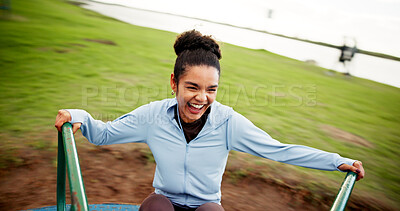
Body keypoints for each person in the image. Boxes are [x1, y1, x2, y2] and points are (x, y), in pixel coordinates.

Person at [55, 30, 365, 211]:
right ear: (174, 83)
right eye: (192, 87)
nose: (201, 97)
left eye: (211, 89)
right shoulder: (153, 116)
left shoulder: (228, 122)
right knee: (155, 206)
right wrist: (78, 116)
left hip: (206, 207)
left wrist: (337, 161)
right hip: (166, 204)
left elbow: (278, 149)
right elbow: (105, 133)